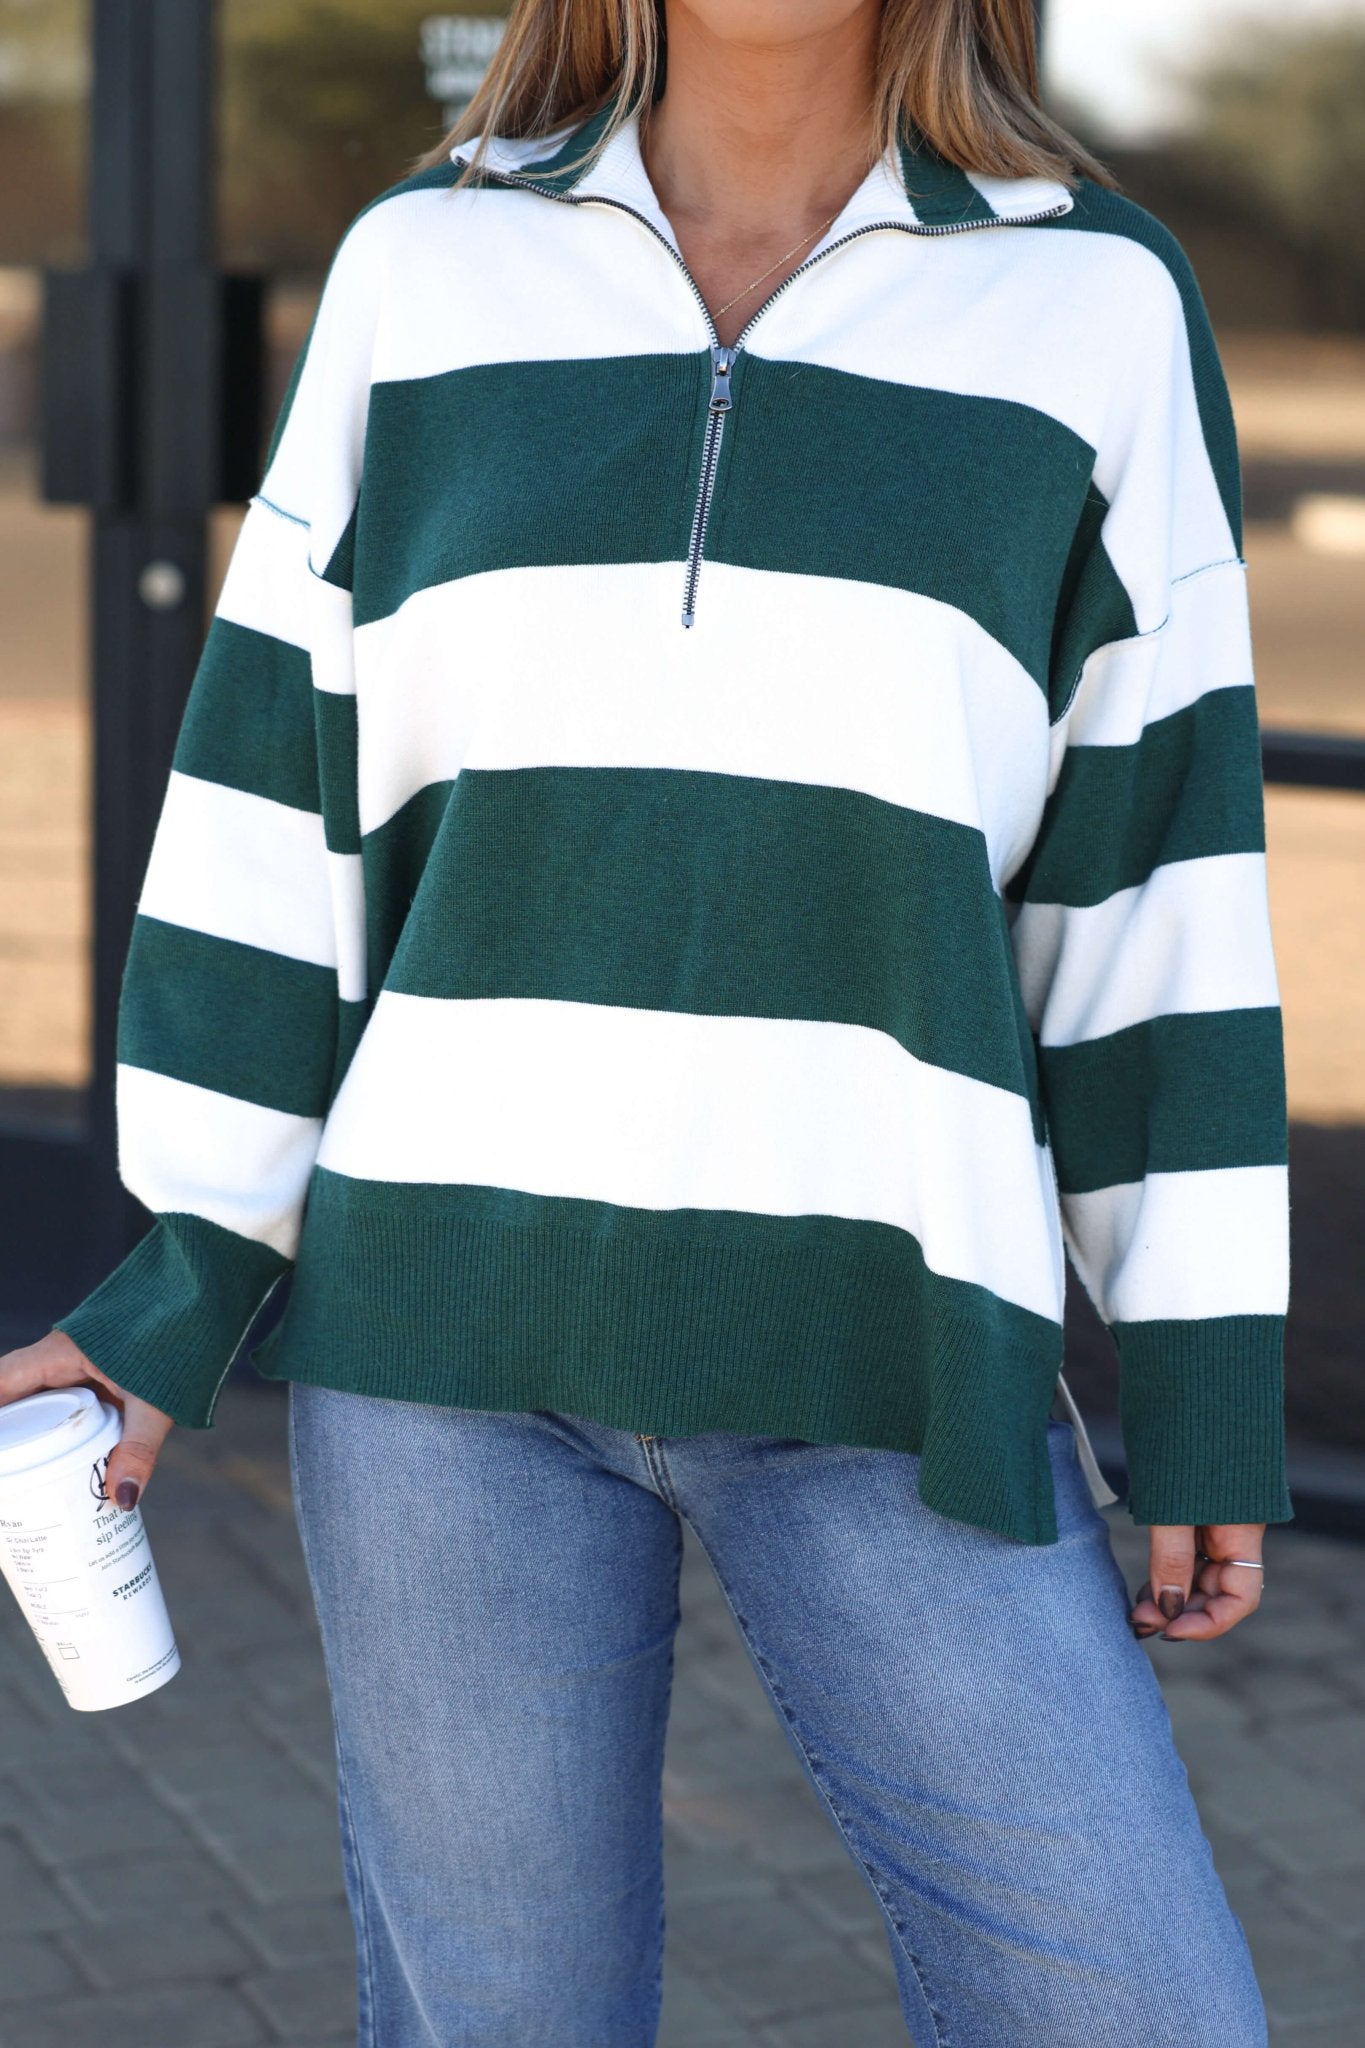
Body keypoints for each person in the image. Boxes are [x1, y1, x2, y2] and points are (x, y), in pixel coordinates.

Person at [0, 1, 1290, 2041]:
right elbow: (275, 813)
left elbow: (1150, 887)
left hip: (891, 1344)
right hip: (441, 1360)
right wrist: (179, 1285)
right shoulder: (427, 269)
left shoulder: (1090, 304)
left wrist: (1203, 1364)